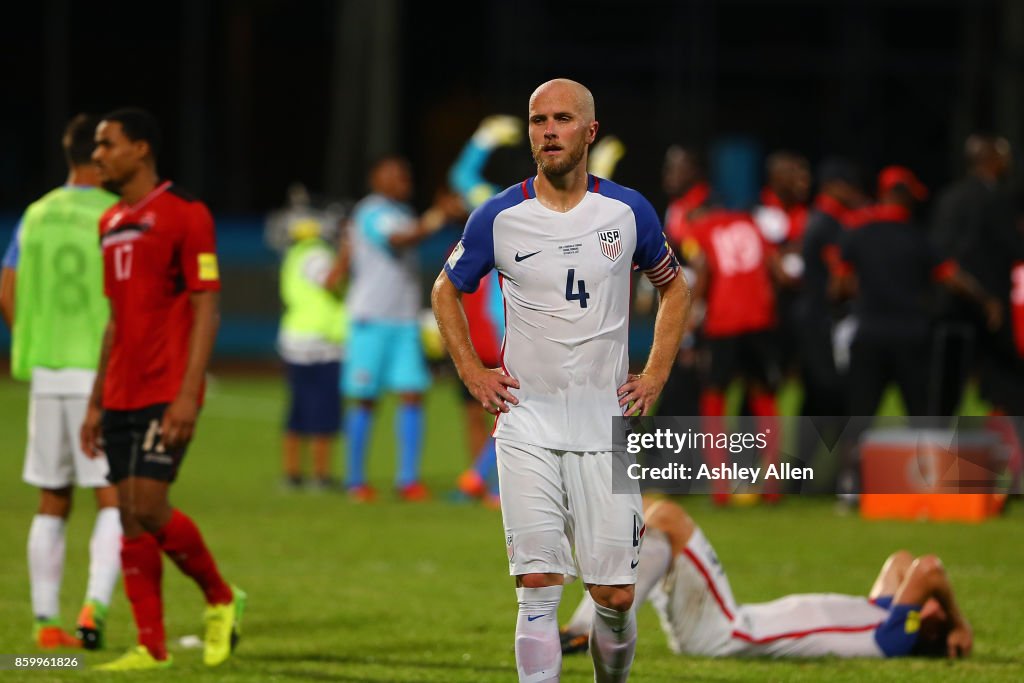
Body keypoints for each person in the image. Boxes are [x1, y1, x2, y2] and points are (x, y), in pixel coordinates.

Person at [432, 78, 689, 683]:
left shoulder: (628, 212)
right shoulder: (498, 215)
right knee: (538, 588)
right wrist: (471, 371)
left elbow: (675, 287)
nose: (548, 131)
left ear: (589, 131)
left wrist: (654, 373)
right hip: (526, 423)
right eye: (538, 120)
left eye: (563, 119)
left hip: (607, 426)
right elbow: (446, 289)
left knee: (615, 599)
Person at [79, 108, 244, 671]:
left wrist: (187, 391)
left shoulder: (185, 215)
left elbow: (205, 304)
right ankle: (150, 647)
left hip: (165, 386)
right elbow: (114, 317)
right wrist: (96, 397)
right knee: (127, 515)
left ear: (141, 149)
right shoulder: (108, 222)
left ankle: (222, 599)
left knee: (148, 506)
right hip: (121, 390)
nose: (97, 154)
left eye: (107, 144)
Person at [561, 498, 973, 660]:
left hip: (728, 630)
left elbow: (928, 571)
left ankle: (583, 624)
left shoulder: (893, 636)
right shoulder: (882, 615)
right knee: (659, 537)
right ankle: (583, 628)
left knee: (667, 518)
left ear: (925, 623)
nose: (932, 599)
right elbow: (903, 560)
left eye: (931, 607)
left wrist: (960, 622)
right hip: (724, 626)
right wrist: (947, 618)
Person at [0, 114, 122, 651]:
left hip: (47, 370)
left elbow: (7, 291)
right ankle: (93, 609)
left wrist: (35, 341)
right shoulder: (116, 214)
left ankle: (45, 624)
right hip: (101, 373)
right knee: (113, 499)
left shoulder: (36, 214)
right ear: (99, 156)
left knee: (53, 499)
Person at [834, 166, 1002, 418]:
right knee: (922, 418)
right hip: (910, 337)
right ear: (905, 196)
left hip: (869, 334)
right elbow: (952, 278)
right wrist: (986, 300)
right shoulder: (918, 238)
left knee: (857, 420)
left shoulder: (858, 234)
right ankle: (923, 458)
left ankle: (850, 458)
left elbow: (839, 286)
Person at [341, 156, 454, 502]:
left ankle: (408, 480)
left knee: (412, 394)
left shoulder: (402, 212)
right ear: (377, 179)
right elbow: (399, 240)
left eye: (406, 173)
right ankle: (356, 480)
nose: (406, 179)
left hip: (403, 320)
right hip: (371, 319)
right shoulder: (372, 212)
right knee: (364, 399)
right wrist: (437, 217)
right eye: (397, 174)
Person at [684, 205, 786, 504]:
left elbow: (703, 269)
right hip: (759, 321)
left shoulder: (702, 228)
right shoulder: (751, 223)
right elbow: (777, 268)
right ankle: (772, 486)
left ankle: (720, 489)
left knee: (714, 399)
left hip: (723, 322)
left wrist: (692, 314)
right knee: (764, 398)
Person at [277, 215, 347, 490]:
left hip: (295, 338)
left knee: (297, 410)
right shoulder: (319, 254)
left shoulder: (294, 254)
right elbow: (329, 281)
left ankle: (292, 473)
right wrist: (347, 255)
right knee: (324, 411)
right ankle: (320, 475)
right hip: (321, 342)